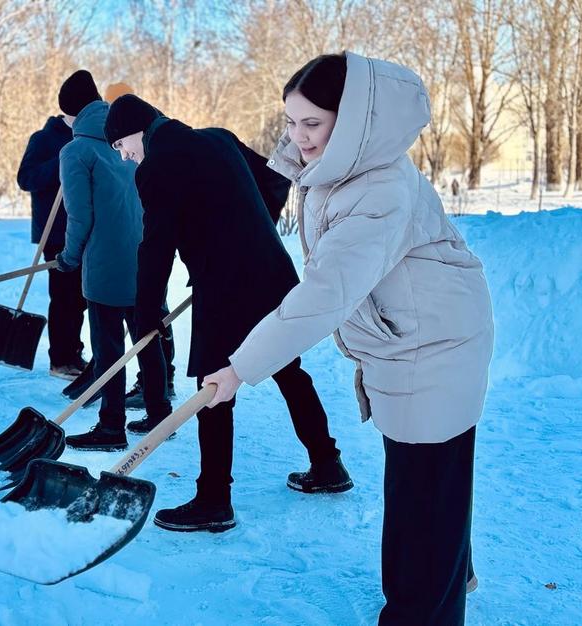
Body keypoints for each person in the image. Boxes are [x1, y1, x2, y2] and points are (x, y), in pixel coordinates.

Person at [202, 53, 493, 625]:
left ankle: (425, 607)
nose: (298, 137)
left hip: (433, 352)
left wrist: (239, 368)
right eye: (290, 121)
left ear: (356, 121)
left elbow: (323, 295)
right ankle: (450, 569)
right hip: (409, 341)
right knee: (427, 491)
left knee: (422, 498)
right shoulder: (343, 170)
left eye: (312, 124)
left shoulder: (378, 189)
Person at [104, 94, 353, 533]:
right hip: (271, 271)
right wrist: (240, 232)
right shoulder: (218, 139)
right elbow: (274, 183)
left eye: (121, 144)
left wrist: (147, 315)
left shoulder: (157, 165)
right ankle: (327, 464)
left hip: (224, 288)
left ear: (137, 130)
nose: (124, 156)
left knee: (213, 388)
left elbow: (155, 246)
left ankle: (214, 500)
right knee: (286, 368)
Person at [55, 70, 171, 450]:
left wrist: (69, 258)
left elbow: (80, 216)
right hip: (145, 255)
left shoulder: (75, 151)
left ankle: (111, 427)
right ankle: (159, 415)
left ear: (73, 114)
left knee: (108, 348)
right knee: (147, 338)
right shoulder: (131, 132)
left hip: (104, 263)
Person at [102, 82, 177, 409]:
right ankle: (158, 385)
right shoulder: (151, 145)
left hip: (146, 238)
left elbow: (160, 235)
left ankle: (160, 385)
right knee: (155, 312)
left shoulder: (159, 155)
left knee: (153, 314)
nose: (123, 154)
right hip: (145, 237)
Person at [16, 114, 87, 380]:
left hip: (82, 230)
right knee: (63, 296)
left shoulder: (85, 140)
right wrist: (61, 161)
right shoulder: (44, 139)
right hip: (56, 233)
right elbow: (26, 178)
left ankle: (73, 352)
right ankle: (60, 358)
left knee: (80, 298)